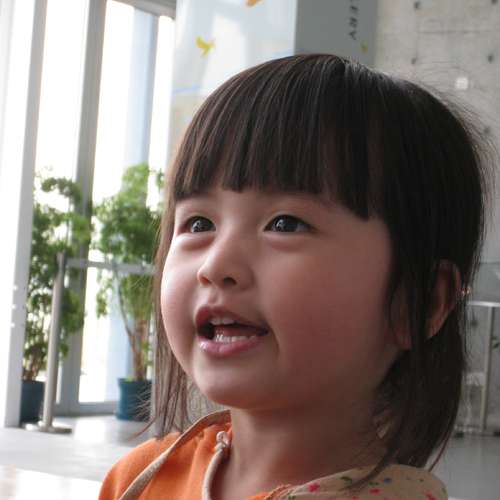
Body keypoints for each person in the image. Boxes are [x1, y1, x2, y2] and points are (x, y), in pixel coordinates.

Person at [99, 54, 493, 500]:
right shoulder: (139, 480)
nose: (216, 265)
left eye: (285, 224)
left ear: (419, 301)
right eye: (198, 223)